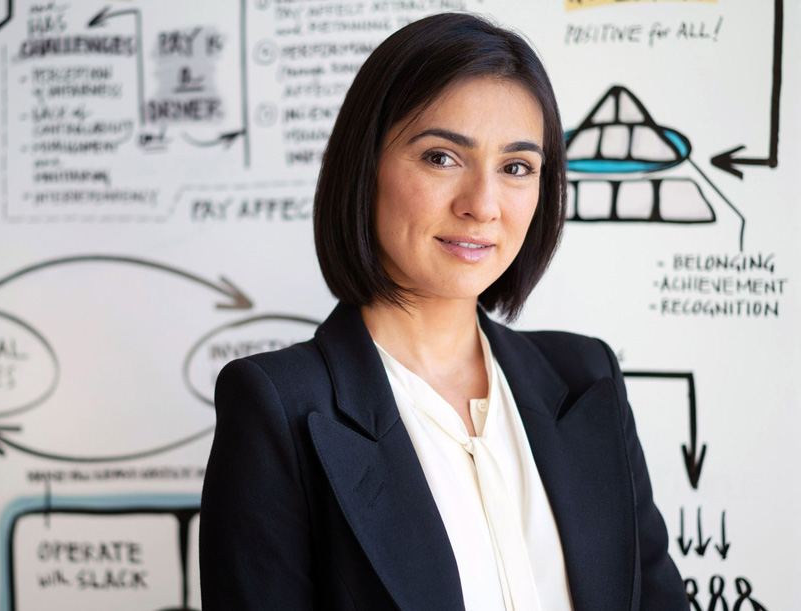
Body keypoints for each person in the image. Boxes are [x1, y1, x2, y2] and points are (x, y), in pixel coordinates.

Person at [199, 12, 687, 611]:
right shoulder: (279, 406)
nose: (483, 205)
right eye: (441, 158)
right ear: (365, 167)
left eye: (516, 168)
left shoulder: (588, 377)